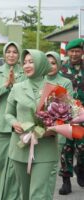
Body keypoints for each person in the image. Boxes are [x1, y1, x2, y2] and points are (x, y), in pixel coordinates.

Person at [6, 49, 58, 200]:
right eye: (25, 62)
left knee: (38, 195)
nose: (26, 66)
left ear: (41, 64)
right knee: (26, 194)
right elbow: (8, 113)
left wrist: (51, 129)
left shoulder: (55, 89)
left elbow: (64, 117)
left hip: (45, 149)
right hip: (20, 147)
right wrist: (14, 122)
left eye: (31, 62)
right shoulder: (17, 88)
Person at [0, 41, 24, 200]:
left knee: (16, 168)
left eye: (15, 52)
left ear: (19, 55)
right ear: (4, 54)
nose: (11, 55)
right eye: (8, 51)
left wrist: (16, 85)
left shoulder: (25, 71)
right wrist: (6, 85)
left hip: (20, 125)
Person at [58, 38, 84, 194]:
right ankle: (66, 180)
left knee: (82, 148)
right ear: (67, 52)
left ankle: (80, 167)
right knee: (65, 149)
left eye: (78, 51)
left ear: (82, 52)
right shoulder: (61, 69)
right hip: (65, 115)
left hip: (83, 116)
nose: (75, 54)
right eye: (72, 51)